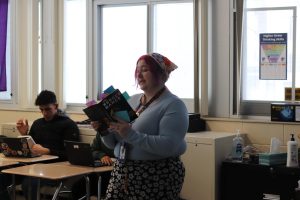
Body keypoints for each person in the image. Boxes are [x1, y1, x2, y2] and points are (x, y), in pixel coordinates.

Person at [92, 52, 189, 199]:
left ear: (161, 74)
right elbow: (113, 144)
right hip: (122, 170)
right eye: (137, 70)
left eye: (144, 70)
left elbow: (169, 145)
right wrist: (103, 130)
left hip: (156, 174)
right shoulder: (133, 100)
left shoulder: (174, 105)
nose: (138, 75)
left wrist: (130, 135)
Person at [16, 90, 80, 200]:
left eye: (48, 109)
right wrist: (24, 134)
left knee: (29, 183)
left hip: (57, 168)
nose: (44, 113)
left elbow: (72, 155)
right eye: (41, 110)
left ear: (56, 106)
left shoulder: (68, 125)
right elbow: (30, 148)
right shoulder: (37, 123)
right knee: (3, 177)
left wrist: (48, 151)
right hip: (35, 166)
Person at [71, 130, 115, 199]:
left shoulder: (122, 132)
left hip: (115, 173)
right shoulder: (101, 131)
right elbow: (92, 150)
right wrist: (102, 156)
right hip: (100, 171)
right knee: (76, 188)